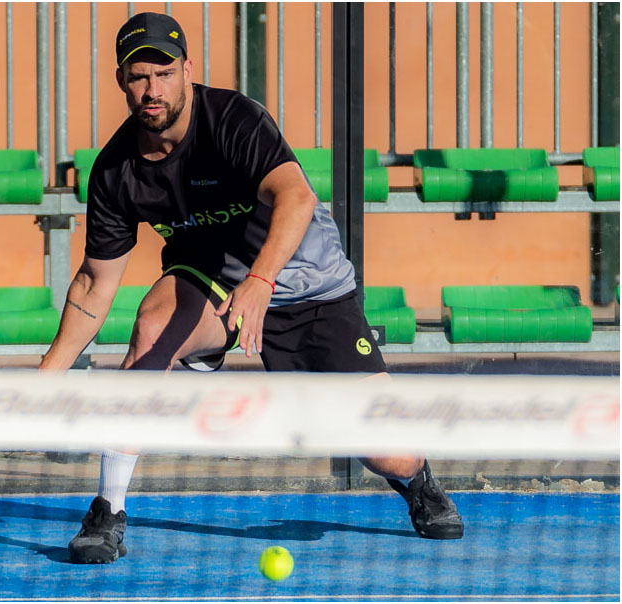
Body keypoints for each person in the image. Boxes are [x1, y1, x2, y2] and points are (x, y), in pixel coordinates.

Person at [40, 12, 464, 564]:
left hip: (306, 286)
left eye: (164, 73)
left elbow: (297, 196)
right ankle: (108, 510)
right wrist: (46, 377)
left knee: (386, 451)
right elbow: (94, 283)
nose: (152, 89)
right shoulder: (115, 170)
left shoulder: (233, 120)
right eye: (139, 76)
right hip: (211, 281)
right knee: (151, 328)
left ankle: (417, 480)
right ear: (122, 80)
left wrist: (262, 281)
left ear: (187, 70)